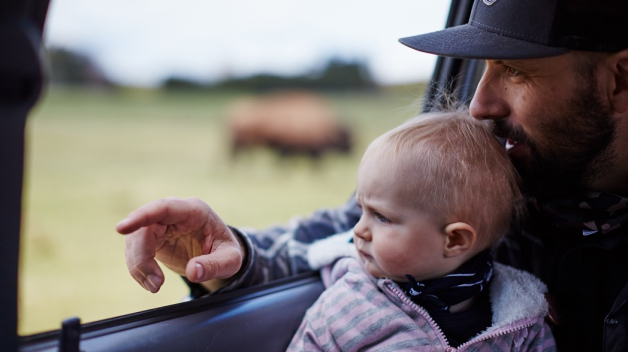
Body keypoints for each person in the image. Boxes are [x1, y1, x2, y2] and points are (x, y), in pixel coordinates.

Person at [116, 0, 628, 350]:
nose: (479, 104)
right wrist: (231, 258)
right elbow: (340, 235)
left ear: (619, 79)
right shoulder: (489, 177)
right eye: (484, 68)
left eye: (515, 71)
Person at [285, 110, 554, 351]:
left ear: (454, 240)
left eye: (381, 217)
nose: (358, 230)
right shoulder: (345, 308)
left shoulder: (523, 325)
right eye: (361, 211)